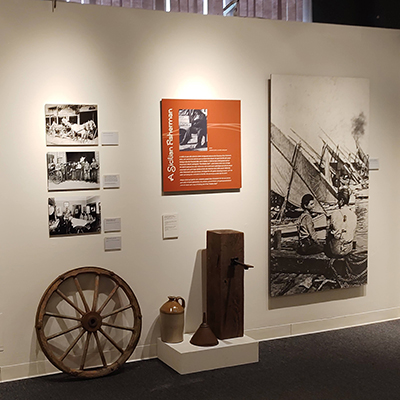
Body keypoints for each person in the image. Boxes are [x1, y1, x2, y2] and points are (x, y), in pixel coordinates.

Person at [326, 188, 357, 257]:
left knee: (329, 234)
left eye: (338, 200)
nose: (337, 203)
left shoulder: (335, 214)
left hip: (336, 250)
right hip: (349, 248)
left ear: (341, 201)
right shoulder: (354, 215)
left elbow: (333, 231)